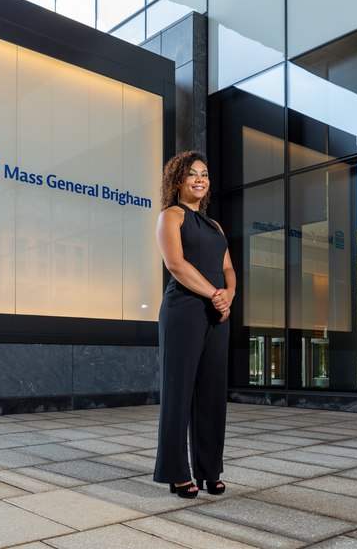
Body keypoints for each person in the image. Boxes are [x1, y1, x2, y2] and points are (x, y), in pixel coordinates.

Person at [153, 151, 235, 498]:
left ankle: (209, 470)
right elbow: (176, 264)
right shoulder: (171, 215)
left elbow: (228, 266)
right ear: (178, 181)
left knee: (213, 393)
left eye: (204, 174)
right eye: (192, 174)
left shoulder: (215, 225)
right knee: (179, 392)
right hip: (184, 310)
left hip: (218, 313)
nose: (200, 179)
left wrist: (228, 294)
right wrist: (215, 294)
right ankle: (176, 472)